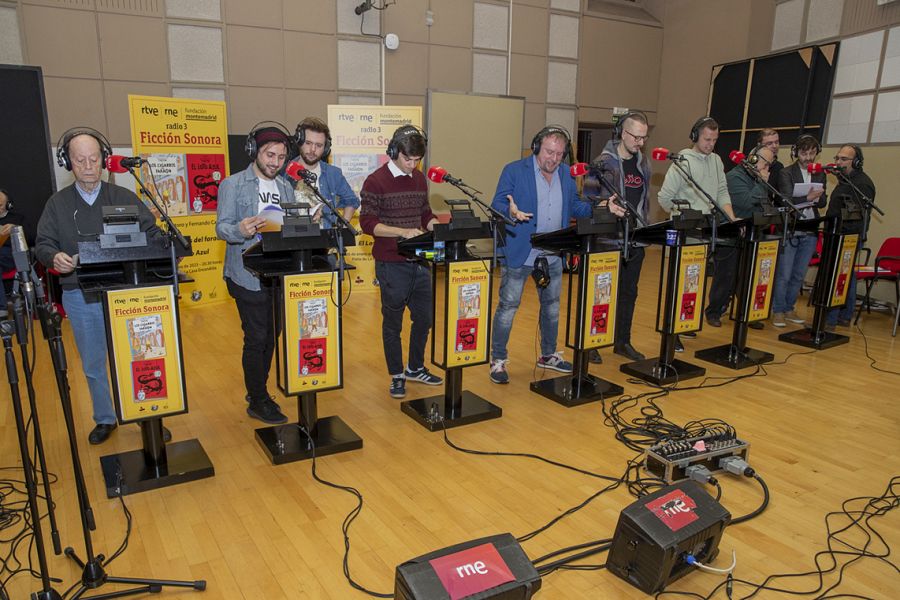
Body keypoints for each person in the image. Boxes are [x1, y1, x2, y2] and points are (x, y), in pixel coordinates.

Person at [35, 128, 160, 444]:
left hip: (125, 293)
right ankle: (105, 418)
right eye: (80, 160)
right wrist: (55, 257)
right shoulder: (57, 204)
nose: (88, 166)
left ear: (104, 161)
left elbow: (154, 235)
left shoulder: (124, 197)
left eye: (94, 159)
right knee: (93, 362)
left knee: (138, 357)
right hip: (80, 294)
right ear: (68, 163)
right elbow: (43, 244)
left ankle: (147, 416)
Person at [489, 125, 622, 384]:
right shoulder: (514, 170)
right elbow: (497, 203)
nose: (554, 158)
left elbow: (575, 206)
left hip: (552, 252)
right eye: (549, 152)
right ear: (537, 148)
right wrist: (511, 211)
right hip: (521, 251)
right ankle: (498, 360)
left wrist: (601, 206)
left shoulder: (565, 174)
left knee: (551, 308)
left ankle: (548, 355)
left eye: (560, 154)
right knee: (508, 307)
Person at [216, 123, 296, 424]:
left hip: (278, 271)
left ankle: (257, 390)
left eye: (280, 157)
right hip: (245, 273)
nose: (275, 162)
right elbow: (221, 226)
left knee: (272, 335)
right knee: (256, 336)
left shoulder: (286, 186)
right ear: (254, 152)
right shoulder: (233, 184)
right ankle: (258, 399)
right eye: (269, 155)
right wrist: (240, 229)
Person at [359, 125, 443, 399]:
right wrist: (402, 231)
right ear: (394, 152)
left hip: (420, 261)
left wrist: (434, 227)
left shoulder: (419, 179)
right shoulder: (375, 181)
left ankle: (415, 367)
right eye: (408, 159)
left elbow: (425, 213)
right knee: (392, 323)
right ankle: (396, 375)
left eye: (417, 159)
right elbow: (368, 224)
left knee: (424, 319)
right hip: (391, 263)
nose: (413, 164)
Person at [658, 117, 736, 350]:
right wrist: (682, 213)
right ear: (695, 137)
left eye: (714, 140)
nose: (710, 144)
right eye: (706, 139)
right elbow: (664, 198)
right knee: (682, 282)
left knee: (695, 281)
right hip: (685, 229)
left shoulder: (716, 161)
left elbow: (722, 191)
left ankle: (686, 322)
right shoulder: (682, 161)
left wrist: (731, 218)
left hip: (706, 229)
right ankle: (673, 332)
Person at [585, 111, 651, 363]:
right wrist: (606, 206)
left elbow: (645, 200)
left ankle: (622, 341)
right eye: (636, 137)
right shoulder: (602, 162)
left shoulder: (643, 163)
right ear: (623, 133)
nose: (640, 142)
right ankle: (592, 341)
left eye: (644, 138)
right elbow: (588, 199)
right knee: (601, 294)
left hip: (635, 240)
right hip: (608, 241)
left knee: (628, 293)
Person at [705, 145, 776, 329]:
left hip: (751, 232)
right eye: (764, 162)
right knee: (725, 276)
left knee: (746, 276)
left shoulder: (757, 178)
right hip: (730, 233)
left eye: (770, 164)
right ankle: (714, 311)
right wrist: (761, 183)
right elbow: (745, 202)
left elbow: (763, 204)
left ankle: (745, 312)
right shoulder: (735, 177)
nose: (766, 168)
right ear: (752, 158)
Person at [773, 134, 828, 327]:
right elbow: (786, 199)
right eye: (805, 153)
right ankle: (778, 309)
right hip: (792, 227)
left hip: (810, 227)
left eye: (812, 153)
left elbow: (822, 202)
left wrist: (816, 197)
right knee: (784, 273)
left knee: (799, 274)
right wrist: (808, 196)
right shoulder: (786, 173)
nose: (809, 157)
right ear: (796, 153)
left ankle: (789, 307)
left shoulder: (820, 173)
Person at [825, 144, 875, 331]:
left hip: (848, 237)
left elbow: (858, 215)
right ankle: (843, 316)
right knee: (848, 277)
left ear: (856, 162)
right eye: (837, 158)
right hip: (838, 235)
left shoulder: (861, 183)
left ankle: (832, 319)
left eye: (843, 159)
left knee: (841, 276)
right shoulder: (845, 180)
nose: (838, 162)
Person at [287, 117, 359, 228]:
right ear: (299, 142)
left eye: (319, 145)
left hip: (325, 242)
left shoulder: (333, 174)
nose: (312, 149)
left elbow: (352, 201)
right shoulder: (284, 172)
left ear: (326, 148)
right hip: (291, 241)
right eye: (308, 143)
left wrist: (342, 228)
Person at [0, 188, 26, 318]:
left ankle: (1, 309)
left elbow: (32, 238)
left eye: (0, 205)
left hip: (12, 256)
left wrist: (16, 230)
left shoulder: (17, 218)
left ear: (8, 205)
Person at [758, 128, 784, 197]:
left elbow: (779, 196)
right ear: (759, 145)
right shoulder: (750, 164)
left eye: (776, 142)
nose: (775, 146)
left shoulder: (779, 166)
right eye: (769, 143)